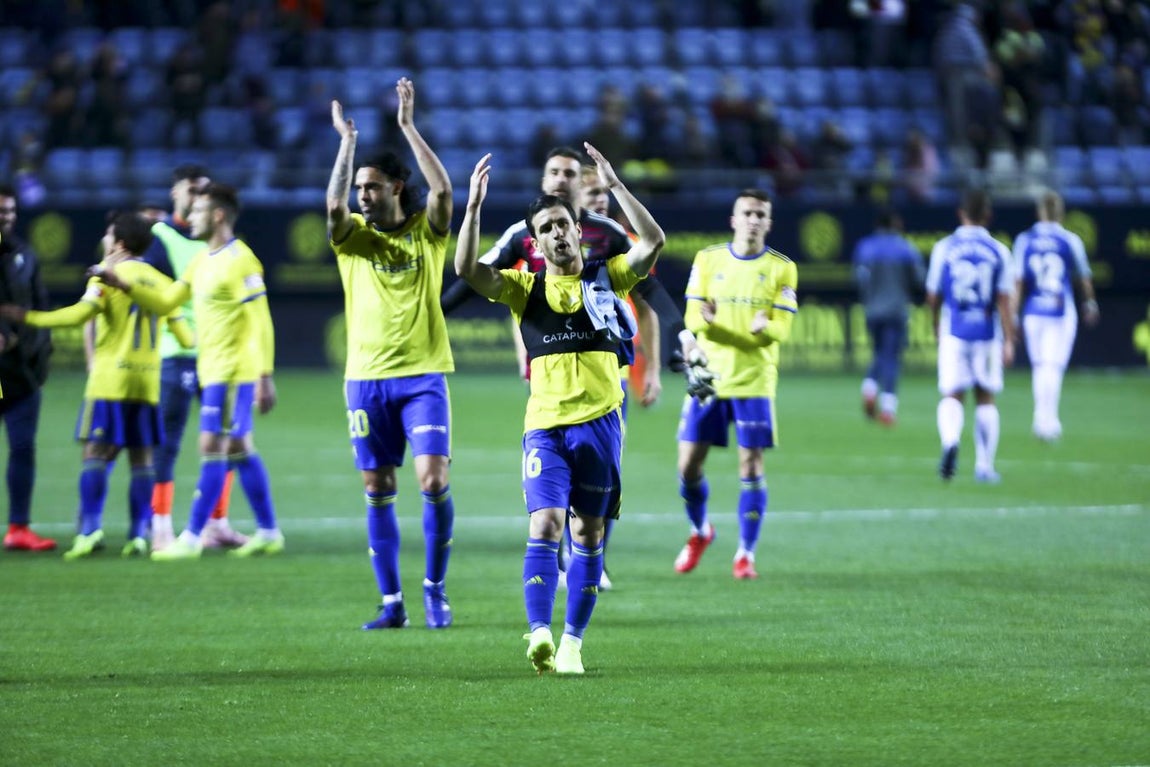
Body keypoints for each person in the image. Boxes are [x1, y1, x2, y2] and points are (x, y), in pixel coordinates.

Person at [454, 143, 665, 675]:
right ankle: (541, 634)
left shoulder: (607, 276)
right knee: (545, 524)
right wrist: (473, 208)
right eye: (545, 228)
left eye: (562, 225)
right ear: (536, 240)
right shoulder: (525, 289)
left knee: (588, 535)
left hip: (600, 425)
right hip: (545, 429)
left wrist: (615, 184)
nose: (555, 234)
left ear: (577, 229)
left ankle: (573, 642)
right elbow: (466, 270)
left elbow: (653, 243)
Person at [94, 183, 284, 559]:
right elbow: (166, 301)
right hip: (210, 368)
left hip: (234, 371)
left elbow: (261, 321)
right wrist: (123, 284)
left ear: (216, 215)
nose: (189, 218)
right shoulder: (201, 259)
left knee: (211, 446)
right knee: (239, 446)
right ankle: (268, 531)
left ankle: (193, 537)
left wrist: (264, 375)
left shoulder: (242, 259)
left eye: (196, 212)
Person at [327, 79, 457, 631]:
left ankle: (434, 591)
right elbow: (333, 204)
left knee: (431, 480)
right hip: (365, 381)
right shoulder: (353, 238)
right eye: (361, 187)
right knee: (378, 487)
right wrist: (347, 144)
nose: (363, 195)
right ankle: (392, 602)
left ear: (398, 187)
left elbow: (446, 194)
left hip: (423, 377)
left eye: (373, 187)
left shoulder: (427, 235)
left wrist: (407, 126)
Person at [0, 211, 193, 558]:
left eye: (108, 234)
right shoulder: (161, 281)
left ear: (119, 242)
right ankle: (138, 535)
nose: (105, 239)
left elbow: (77, 315)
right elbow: (185, 335)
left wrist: (26, 317)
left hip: (110, 380)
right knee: (142, 458)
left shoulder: (106, 275)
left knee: (95, 454)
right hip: (147, 381)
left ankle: (89, 530)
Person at [673, 189, 798, 581]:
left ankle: (745, 553)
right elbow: (693, 317)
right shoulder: (709, 259)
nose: (754, 220)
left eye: (761, 214)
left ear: (769, 222)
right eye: (747, 213)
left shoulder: (782, 268)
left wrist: (722, 326)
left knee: (751, 463)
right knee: (688, 466)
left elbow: (778, 331)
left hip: (754, 381)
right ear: (734, 219)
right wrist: (742, 330)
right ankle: (701, 531)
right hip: (709, 379)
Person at [142, 165, 243, 552]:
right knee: (167, 443)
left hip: (217, 356)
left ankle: (217, 522)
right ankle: (161, 524)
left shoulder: (212, 240)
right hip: (177, 354)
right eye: (192, 190)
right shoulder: (160, 237)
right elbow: (152, 290)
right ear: (175, 192)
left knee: (227, 440)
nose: (198, 198)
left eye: (204, 193)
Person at [926, 188, 1015, 483]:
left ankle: (950, 440)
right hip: (987, 333)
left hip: (955, 330)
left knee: (952, 393)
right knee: (985, 397)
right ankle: (985, 466)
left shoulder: (944, 248)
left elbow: (933, 294)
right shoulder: (999, 250)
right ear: (987, 215)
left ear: (960, 213)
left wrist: (934, 324)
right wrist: (1011, 340)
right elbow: (1004, 299)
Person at [1013, 190, 1099, 442]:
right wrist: (1091, 303)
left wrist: (1014, 315)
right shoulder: (1070, 239)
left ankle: (1041, 418)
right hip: (1061, 310)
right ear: (1060, 213)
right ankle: (1049, 420)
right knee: (1053, 367)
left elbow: (1018, 282)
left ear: (1040, 212)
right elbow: (1084, 275)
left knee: (1040, 366)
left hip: (1033, 310)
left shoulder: (1024, 240)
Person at [0, 184, 56, 551]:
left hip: (21, 375)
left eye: (10, 211)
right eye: (1, 212)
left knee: (23, 448)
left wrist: (41, 353)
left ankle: (18, 527)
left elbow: (39, 306)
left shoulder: (24, 254)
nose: (6, 218)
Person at [852, 208, 925, 426]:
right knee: (891, 357)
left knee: (879, 352)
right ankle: (888, 408)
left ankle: (869, 387)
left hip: (872, 310)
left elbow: (858, 279)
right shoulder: (905, 248)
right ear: (895, 223)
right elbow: (919, 279)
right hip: (896, 310)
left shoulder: (865, 247)